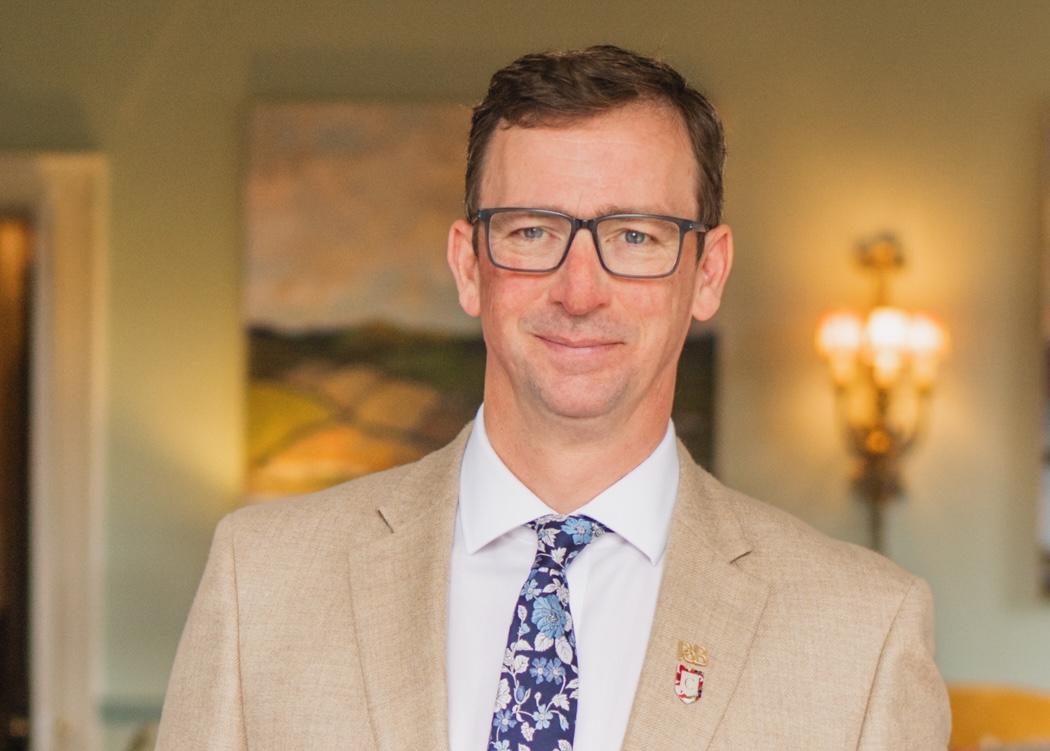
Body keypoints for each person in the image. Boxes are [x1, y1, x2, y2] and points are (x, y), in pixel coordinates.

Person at [156, 45, 951, 750]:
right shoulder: (258, 582)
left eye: (635, 236)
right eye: (533, 231)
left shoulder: (863, 636)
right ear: (470, 264)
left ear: (707, 273)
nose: (580, 289)